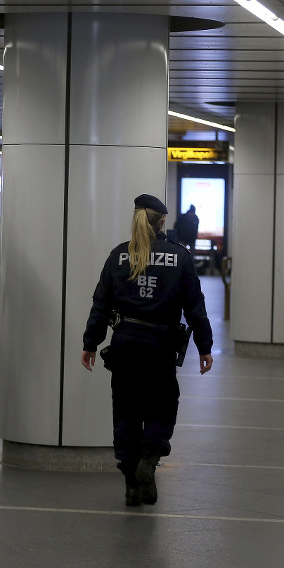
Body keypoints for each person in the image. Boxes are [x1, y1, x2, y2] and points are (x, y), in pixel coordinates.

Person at [80, 194, 213, 507]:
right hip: (161, 345)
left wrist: (90, 343)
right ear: (162, 220)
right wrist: (204, 347)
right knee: (162, 405)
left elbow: (101, 304)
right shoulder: (179, 257)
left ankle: (130, 484)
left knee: (126, 411)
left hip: (125, 343)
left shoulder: (119, 255)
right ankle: (149, 458)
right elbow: (195, 306)